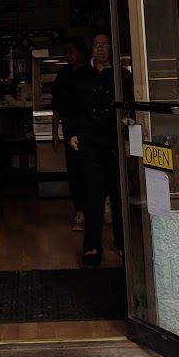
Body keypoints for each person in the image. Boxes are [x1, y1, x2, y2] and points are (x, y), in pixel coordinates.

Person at [62, 30, 131, 266]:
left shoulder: (122, 75)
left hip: (115, 142)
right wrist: (71, 133)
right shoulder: (81, 75)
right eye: (96, 44)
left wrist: (128, 139)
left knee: (119, 195)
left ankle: (122, 243)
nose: (100, 48)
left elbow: (130, 107)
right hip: (89, 142)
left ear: (112, 49)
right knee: (92, 196)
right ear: (91, 49)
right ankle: (92, 246)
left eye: (105, 45)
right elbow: (69, 107)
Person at [51, 34, 88, 229]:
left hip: (89, 132)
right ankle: (80, 211)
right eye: (66, 53)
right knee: (74, 173)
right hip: (69, 132)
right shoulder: (63, 75)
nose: (69, 56)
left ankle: (96, 208)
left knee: (90, 172)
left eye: (72, 52)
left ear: (82, 52)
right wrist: (54, 133)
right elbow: (56, 107)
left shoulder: (90, 72)